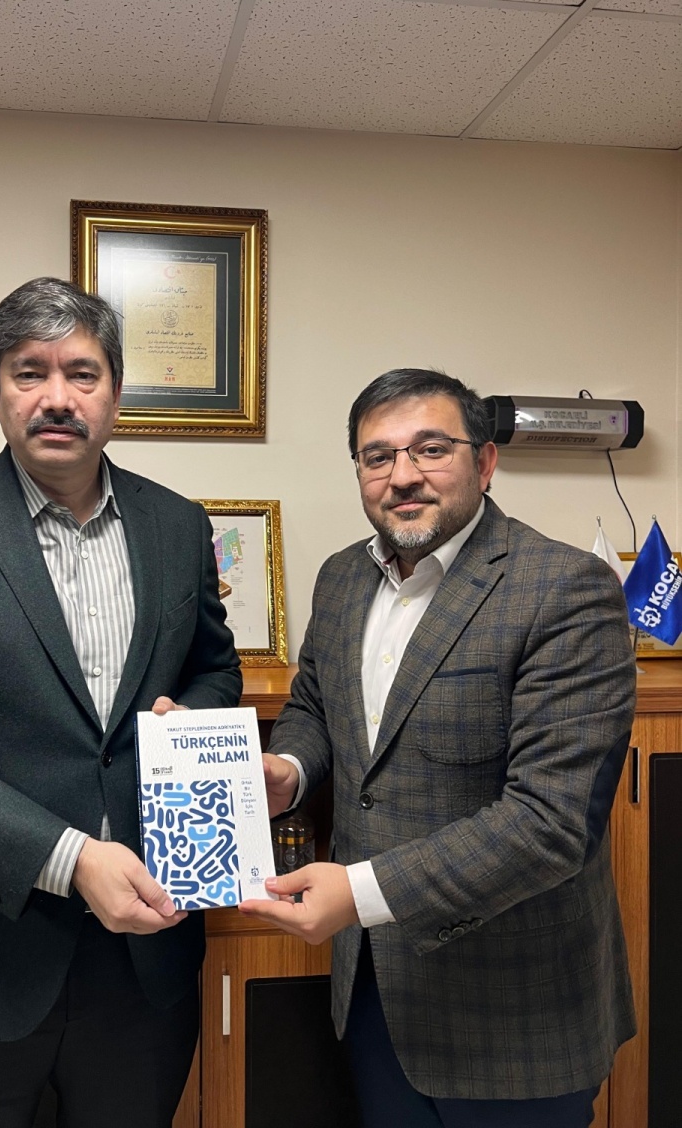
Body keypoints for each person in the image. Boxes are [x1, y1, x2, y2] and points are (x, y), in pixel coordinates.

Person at [0, 277, 241, 1128]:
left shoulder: (178, 525)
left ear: (116, 394)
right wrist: (69, 857)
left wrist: (191, 721)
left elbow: (213, 670)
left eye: (82, 374)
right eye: (30, 372)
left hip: (144, 965)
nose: (57, 397)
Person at [241, 368, 635, 1128]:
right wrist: (287, 769)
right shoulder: (342, 578)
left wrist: (357, 894)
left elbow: (551, 823)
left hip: (515, 1014)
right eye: (377, 456)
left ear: (485, 462)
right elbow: (316, 707)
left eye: (430, 449)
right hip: (375, 994)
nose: (402, 476)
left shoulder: (565, 589)